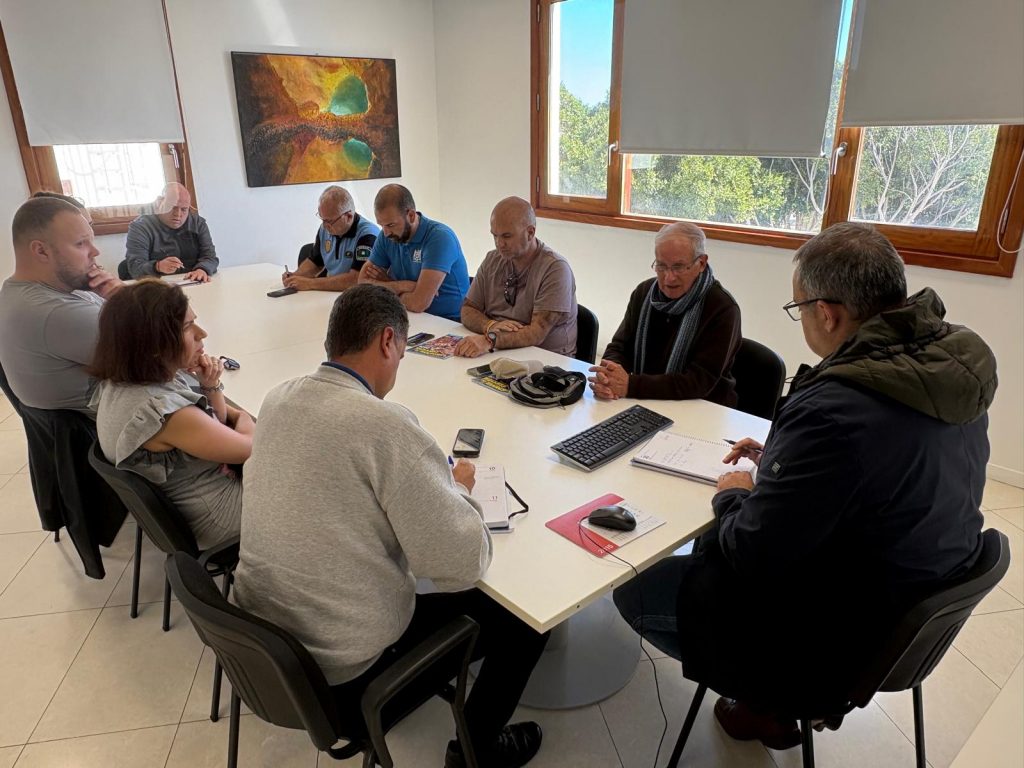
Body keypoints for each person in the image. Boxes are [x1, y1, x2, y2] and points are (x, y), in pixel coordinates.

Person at [612, 222, 997, 749]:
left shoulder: (835, 409)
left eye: (798, 309)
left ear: (827, 314)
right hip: (913, 609)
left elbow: (751, 550)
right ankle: (771, 701)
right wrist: (787, 461)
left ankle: (770, 702)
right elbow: (881, 467)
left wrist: (735, 492)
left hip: (834, 636)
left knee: (635, 590)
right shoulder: (949, 368)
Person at [234, 285, 548, 768]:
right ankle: (476, 753)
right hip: (346, 681)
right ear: (387, 340)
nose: (400, 364)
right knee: (527, 619)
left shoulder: (277, 399)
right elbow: (463, 564)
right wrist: (456, 490)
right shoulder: (386, 426)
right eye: (402, 352)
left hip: (268, 655)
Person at [90, 280, 252, 548]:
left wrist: (210, 386)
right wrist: (246, 419)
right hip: (220, 520)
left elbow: (217, 424)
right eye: (188, 327)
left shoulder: (124, 381)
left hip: (190, 506)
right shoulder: (167, 413)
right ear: (153, 343)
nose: (202, 334)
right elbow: (251, 448)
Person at [589, 222, 741, 404]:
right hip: (647, 399)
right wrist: (608, 377)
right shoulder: (644, 293)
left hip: (702, 406)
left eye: (678, 267)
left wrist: (631, 385)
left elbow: (699, 381)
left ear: (701, 263)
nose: (669, 277)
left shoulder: (722, 308)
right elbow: (620, 347)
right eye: (661, 266)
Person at [0, 196, 121, 411]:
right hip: (134, 425)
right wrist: (125, 298)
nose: (95, 252)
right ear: (41, 251)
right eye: (81, 243)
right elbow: (173, 353)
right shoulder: (54, 312)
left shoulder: (19, 291)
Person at [454, 197, 577, 357]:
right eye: (495, 236)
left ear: (530, 233)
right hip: (500, 352)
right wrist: (490, 325)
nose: (499, 244)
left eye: (507, 236)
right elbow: (468, 310)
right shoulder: (492, 259)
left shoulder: (555, 269)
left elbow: (537, 332)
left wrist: (489, 340)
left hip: (547, 360)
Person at [358, 184, 470, 321]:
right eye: (381, 225)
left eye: (391, 225)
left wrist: (386, 288)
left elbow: (419, 303)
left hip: (449, 322)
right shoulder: (387, 235)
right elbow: (362, 284)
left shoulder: (440, 237)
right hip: (408, 315)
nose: (386, 233)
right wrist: (401, 285)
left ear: (411, 215)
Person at [281, 185, 379, 291]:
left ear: (349, 216)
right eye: (322, 219)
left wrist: (310, 283)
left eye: (329, 221)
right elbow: (315, 262)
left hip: (355, 294)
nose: (325, 225)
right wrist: (295, 276)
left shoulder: (368, 235)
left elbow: (356, 279)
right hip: (329, 292)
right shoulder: (324, 229)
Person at [122, 182, 218, 282]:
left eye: (184, 209)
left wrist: (202, 269)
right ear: (160, 203)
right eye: (172, 207)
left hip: (192, 281)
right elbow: (135, 267)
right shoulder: (141, 227)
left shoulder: (198, 223)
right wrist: (157, 266)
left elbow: (210, 257)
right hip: (157, 284)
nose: (178, 214)